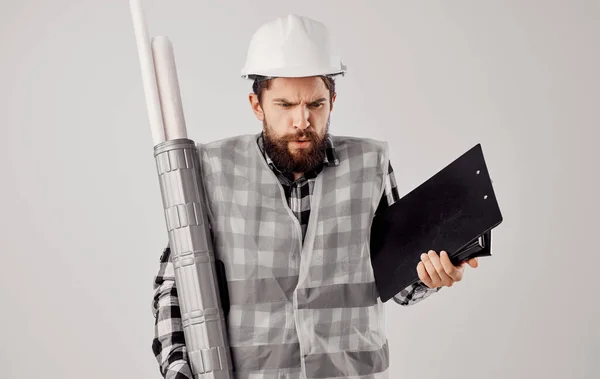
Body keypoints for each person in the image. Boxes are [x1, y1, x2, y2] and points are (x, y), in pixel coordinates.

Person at [151, 14, 479, 379]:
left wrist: (431, 276)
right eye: (285, 105)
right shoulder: (212, 169)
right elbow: (175, 284)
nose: (302, 121)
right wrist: (178, 366)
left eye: (315, 104)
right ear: (257, 105)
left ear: (333, 101)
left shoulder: (371, 165)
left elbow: (399, 284)